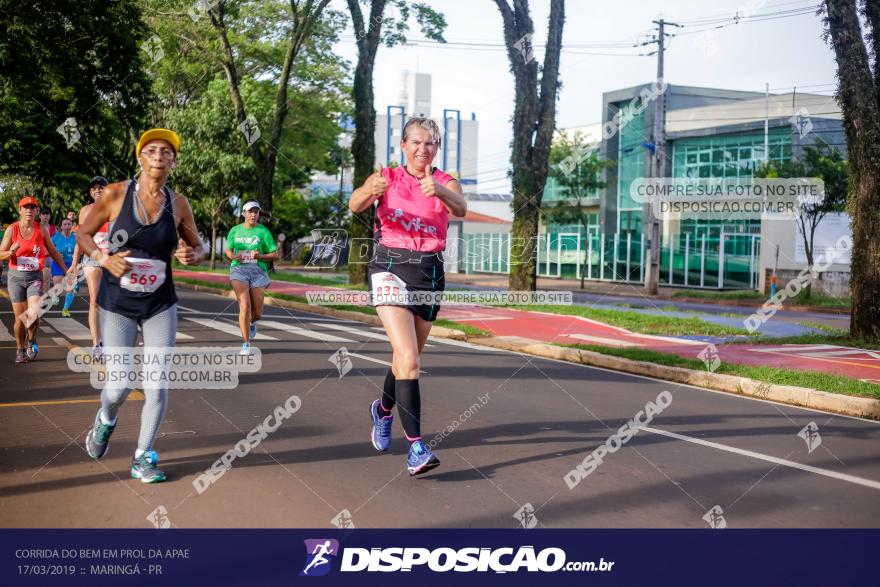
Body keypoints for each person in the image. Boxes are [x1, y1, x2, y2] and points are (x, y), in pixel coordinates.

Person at [77, 129, 203, 483]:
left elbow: (198, 244)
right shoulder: (116, 194)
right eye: (152, 150)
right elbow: (83, 234)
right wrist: (103, 259)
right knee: (118, 385)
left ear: (173, 161)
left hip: (160, 303)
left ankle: (143, 456)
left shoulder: (178, 203)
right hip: (117, 302)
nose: (159, 155)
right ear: (140, 158)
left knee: (157, 384)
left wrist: (193, 253)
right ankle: (105, 420)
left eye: (166, 151)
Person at [349, 117, 466, 476]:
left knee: (405, 357)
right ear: (403, 145)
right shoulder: (388, 178)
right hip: (388, 266)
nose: (423, 149)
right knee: (410, 360)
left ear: (437, 148)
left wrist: (440, 192)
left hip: (429, 271)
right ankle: (416, 448)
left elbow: (460, 209)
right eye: (416, 142)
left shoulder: (446, 181)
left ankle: (382, 410)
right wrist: (370, 187)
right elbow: (355, 205)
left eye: (430, 143)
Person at [0, 196, 69, 363]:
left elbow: (53, 252)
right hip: (16, 277)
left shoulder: (41, 229)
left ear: (36, 211)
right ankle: (20, 349)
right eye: (26, 207)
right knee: (19, 319)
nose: (29, 210)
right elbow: (1, 254)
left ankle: (31, 340)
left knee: (33, 315)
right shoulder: (12, 229)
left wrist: (67, 272)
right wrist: (11, 252)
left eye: (32, 207)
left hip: (34, 277)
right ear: (20, 210)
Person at [225, 201, 277, 355]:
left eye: (256, 212)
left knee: (258, 313)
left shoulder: (264, 232)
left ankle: (252, 323)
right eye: (250, 211)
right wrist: (235, 256)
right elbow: (228, 251)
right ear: (243, 214)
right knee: (244, 306)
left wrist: (259, 256)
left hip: (258, 271)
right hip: (238, 269)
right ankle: (246, 343)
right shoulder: (235, 230)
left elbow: (275, 254)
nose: (253, 214)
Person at [70, 176, 110, 357]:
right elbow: (80, 238)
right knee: (94, 300)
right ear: (90, 192)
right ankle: (97, 344)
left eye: (101, 187)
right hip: (92, 258)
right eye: (93, 188)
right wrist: (73, 263)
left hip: (112, 258)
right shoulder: (85, 211)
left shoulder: (116, 208)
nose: (97, 190)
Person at [50, 217, 78, 316]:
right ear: (61, 226)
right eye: (64, 224)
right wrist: (56, 254)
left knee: (71, 288)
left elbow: (81, 250)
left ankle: (65, 310)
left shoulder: (76, 237)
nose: (67, 226)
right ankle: (54, 295)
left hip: (71, 264)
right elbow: (48, 250)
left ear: (72, 226)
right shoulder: (55, 237)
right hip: (58, 263)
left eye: (69, 224)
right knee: (59, 286)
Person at [39, 208, 57, 292]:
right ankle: (36, 297)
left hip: (50, 257)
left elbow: (57, 242)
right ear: (40, 216)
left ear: (50, 216)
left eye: (47, 214)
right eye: (43, 213)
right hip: (38, 256)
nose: (45, 215)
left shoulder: (53, 228)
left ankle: (44, 298)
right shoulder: (36, 227)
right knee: (38, 279)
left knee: (47, 279)